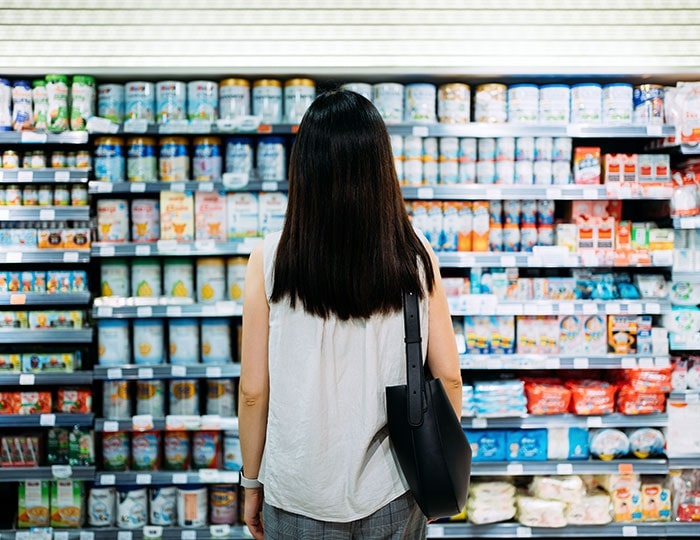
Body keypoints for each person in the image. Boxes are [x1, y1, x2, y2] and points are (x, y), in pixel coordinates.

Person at [238, 89, 462, 539]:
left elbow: (252, 392)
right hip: (393, 487)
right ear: (381, 167)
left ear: (303, 169)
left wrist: (250, 484)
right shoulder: (415, 256)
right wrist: (435, 468)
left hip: (297, 492)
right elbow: (449, 377)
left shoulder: (268, 259)